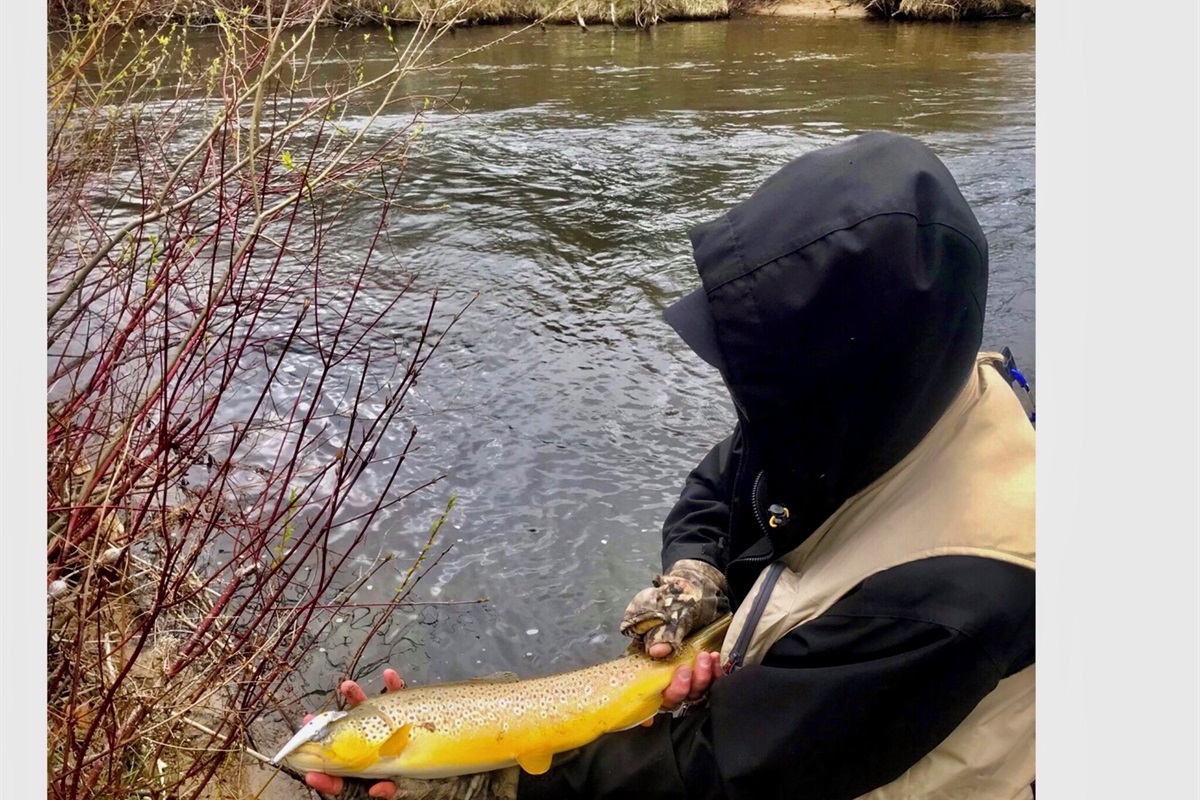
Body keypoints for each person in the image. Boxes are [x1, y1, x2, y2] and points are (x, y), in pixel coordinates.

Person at [303, 131, 1036, 800]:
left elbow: (717, 767)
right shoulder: (891, 395)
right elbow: (721, 487)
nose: (740, 395)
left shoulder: (957, 592)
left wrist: (480, 787)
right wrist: (694, 585)